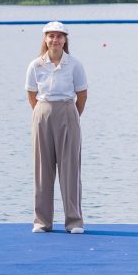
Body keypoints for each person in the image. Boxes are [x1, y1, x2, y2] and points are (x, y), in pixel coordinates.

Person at [25, 21, 88, 234]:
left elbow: (82, 94)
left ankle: (74, 221)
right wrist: (41, 113)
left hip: (68, 112)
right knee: (42, 169)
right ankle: (42, 221)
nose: (55, 40)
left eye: (59, 36)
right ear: (45, 39)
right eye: (51, 36)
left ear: (65, 40)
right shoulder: (35, 65)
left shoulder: (75, 64)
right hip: (42, 113)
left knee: (70, 168)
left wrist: (71, 115)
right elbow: (31, 94)